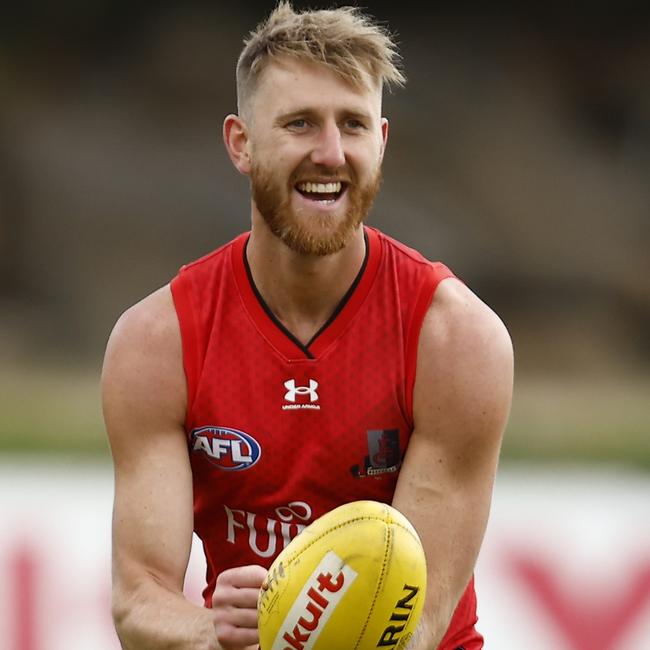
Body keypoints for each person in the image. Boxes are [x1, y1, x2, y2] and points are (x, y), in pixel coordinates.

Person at [101, 3, 513, 649]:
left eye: (352, 125)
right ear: (241, 143)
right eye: (299, 124)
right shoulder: (159, 339)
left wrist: (290, 619)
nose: (330, 153)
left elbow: (420, 621)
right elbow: (138, 600)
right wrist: (212, 632)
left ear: (380, 140)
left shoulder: (454, 337)